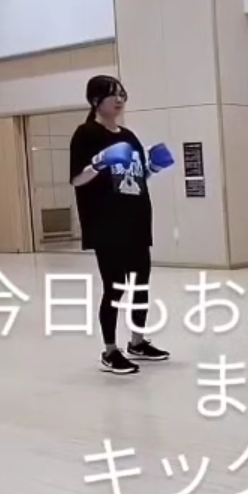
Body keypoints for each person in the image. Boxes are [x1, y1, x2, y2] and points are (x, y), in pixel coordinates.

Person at [69, 75, 176, 375]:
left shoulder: (128, 136)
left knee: (140, 284)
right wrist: (99, 162)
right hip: (106, 223)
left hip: (136, 219)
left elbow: (136, 177)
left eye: (122, 94)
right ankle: (109, 350)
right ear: (95, 100)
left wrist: (153, 166)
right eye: (112, 95)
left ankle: (137, 342)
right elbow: (77, 179)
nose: (119, 100)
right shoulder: (86, 134)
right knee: (114, 287)